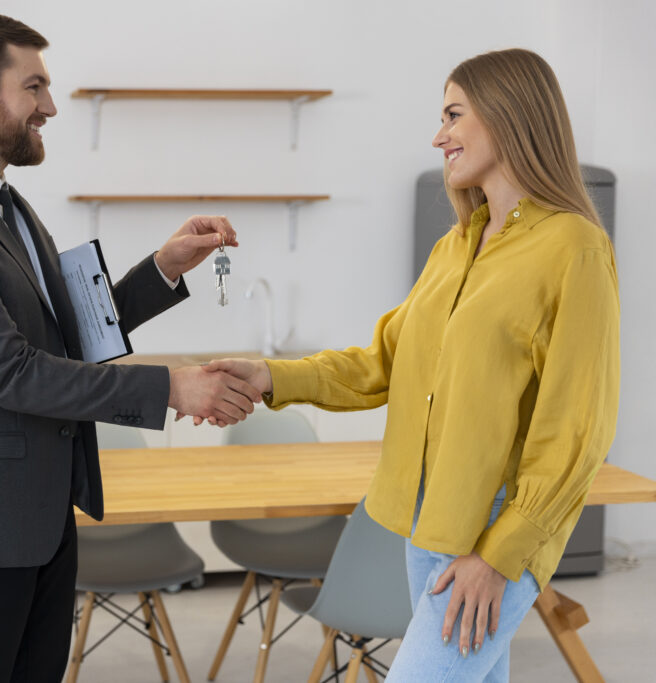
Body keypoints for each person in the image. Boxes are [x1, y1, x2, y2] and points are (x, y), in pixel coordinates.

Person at [204, 48, 619, 682]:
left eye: (454, 115)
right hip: (424, 520)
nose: (439, 135)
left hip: (496, 527)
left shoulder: (574, 248)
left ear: (509, 115)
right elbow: (384, 363)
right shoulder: (454, 246)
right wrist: (270, 377)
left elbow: (577, 429)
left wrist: (500, 556)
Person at [0, 12, 261, 681]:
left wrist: (164, 266)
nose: (50, 106)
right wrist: (172, 387)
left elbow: (66, 335)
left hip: (41, 516)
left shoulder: (8, 206)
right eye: (34, 88)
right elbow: (14, 371)